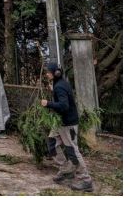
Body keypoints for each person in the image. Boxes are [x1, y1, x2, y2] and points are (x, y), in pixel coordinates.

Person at [40, 62, 94, 192]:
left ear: (56, 73)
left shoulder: (60, 87)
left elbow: (64, 106)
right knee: (52, 143)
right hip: (60, 122)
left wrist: (48, 104)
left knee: (72, 151)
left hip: (68, 124)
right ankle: (66, 171)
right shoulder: (60, 84)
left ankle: (86, 181)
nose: (46, 74)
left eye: (48, 72)